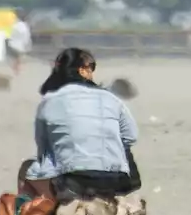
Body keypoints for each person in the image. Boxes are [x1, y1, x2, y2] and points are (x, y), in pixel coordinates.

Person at [22, 48, 140, 199]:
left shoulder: (48, 101)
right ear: (82, 70)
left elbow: (43, 147)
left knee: (29, 170)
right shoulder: (112, 98)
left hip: (73, 179)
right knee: (124, 149)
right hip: (117, 180)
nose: (92, 72)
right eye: (91, 67)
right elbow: (131, 137)